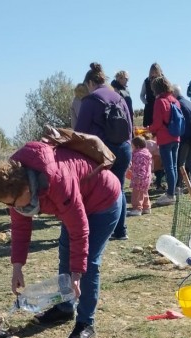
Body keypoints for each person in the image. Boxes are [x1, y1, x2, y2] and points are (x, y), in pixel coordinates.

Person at [0, 141, 124, 338]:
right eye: (7, 205)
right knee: (65, 252)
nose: (12, 208)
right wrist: (17, 266)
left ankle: (86, 323)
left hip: (103, 201)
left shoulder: (57, 179)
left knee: (89, 262)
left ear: (26, 188)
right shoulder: (19, 192)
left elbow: (79, 230)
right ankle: (64, 307)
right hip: (76, 203)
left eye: (12, 203)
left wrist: (77, 273)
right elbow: (20, 229)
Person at [75, 62, 133, 240]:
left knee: (102, 190)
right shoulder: (118, 97)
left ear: (91, 83)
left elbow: (80, 131)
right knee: (120, 189)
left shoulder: (90, 101)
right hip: (123, 148)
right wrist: (128, 146)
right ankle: (120, 231)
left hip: (103, 152)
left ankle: (100, 229)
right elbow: (129, 126)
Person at [148, 76, 182, 207]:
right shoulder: (174, 100)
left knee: (168, 167)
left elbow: (157, 123)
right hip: (176, 136)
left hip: (165, 138)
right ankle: (172, 190)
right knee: (173, 165)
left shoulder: (160, 101)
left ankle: (170, 194)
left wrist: (149, 129)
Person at [174, 84, 191, 188]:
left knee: (181, 162)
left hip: (185, 136)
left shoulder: (178, 103)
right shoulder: (189, 103)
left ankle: (179, 184)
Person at [129, 136, 153, 214]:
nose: (132, 148)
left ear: (137, 146)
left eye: (132, 146)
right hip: (147, 177)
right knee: (144, 192)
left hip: (139, 177)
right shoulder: (146, 153)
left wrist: (138, 177)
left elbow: (140, 167)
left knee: (136, 194)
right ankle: (146, 207)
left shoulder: (139, 155)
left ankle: (137, 208)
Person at [139, 63, 164, 127]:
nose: (154, 73)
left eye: (156, 71)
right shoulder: (147, 81)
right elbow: (142, 95)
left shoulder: (163, 81)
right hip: (149, 109)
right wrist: (146, 103)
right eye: (152, 71)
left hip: (161, 107)